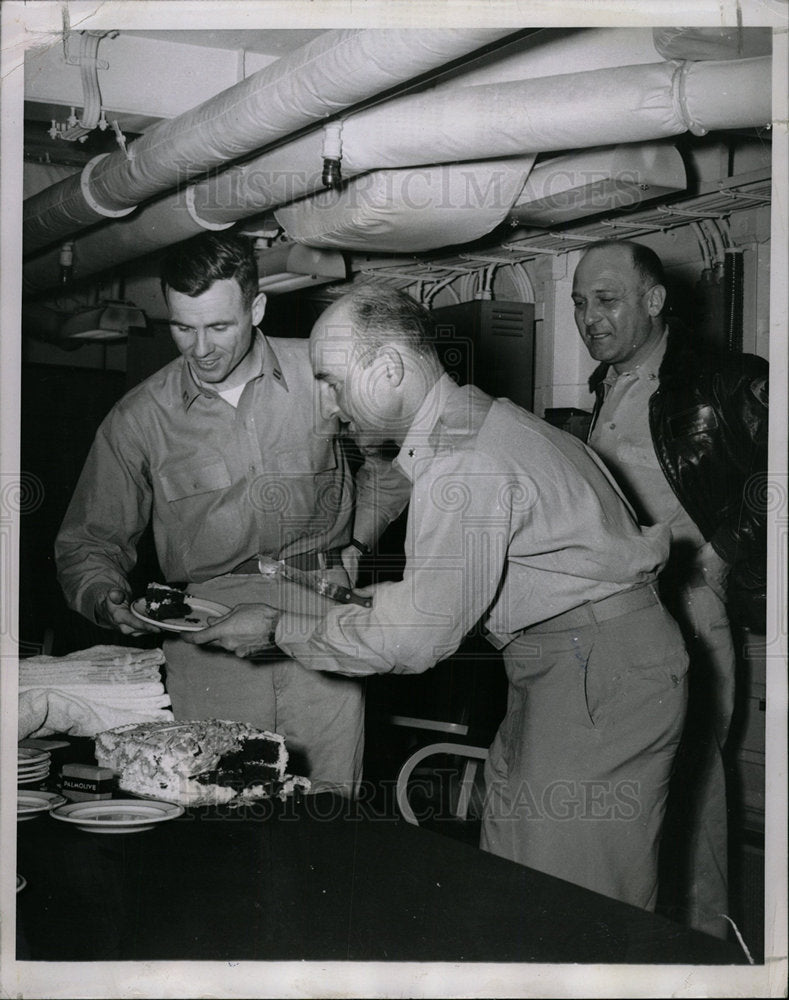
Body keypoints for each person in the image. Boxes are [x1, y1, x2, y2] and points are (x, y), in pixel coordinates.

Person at [185, 283, 690, 911]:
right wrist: (359, 596)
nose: (330, 406)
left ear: (390, 368)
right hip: (569, 663)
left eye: (333, 382)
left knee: (572, 912)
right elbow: (454, 588)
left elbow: (420, 636)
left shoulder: (466, 462)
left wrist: (274, 629)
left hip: (592, 672)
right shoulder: (470, 424)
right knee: (520, 886)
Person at [55, 233, 410, 794]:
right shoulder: (138, 420)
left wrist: (356, 544)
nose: (200, 349)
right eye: (182, 327)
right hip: (208, 638)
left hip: (321, 621)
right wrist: (106, 597)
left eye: (219, 327)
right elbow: (88, 540)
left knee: (328, 811)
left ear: (256, 307)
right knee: (220, 818)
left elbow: (393, 464)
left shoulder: (324, 376)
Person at [571, 239, 768, 938]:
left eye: (605, 299)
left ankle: (703, 955)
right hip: (618, 621)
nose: (587, 317)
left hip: (686, 614)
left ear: (654, 301)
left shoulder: (721, 378)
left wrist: (719, 554)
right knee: (637, 796)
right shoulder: (609, 384)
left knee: (690, 794)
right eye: (577, 303)